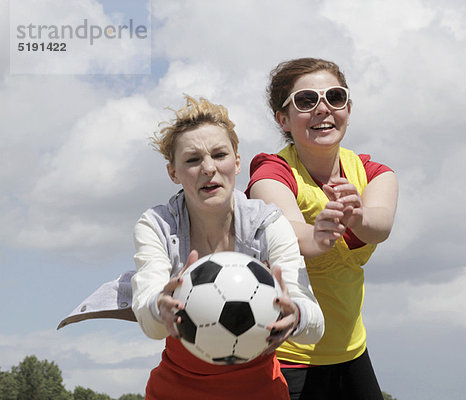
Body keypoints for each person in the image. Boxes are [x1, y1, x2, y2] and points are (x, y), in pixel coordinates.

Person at [58, 95, 324, 400]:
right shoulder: (157, 225)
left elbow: (315, 324)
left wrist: (298, 316)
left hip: (259, 387)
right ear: (174, 173)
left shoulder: (268, 224)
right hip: (177, 388)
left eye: (219, 155)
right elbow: (151, 322)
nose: (209, 168)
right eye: (193, 159)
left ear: (237, 163)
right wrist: (160, 307)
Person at [246, 58, 398, 400]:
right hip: (286, 356)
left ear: (348, 108)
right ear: (282, 119)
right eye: (305, 101)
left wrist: (357, 217)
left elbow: (381, 226)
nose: (322, 109)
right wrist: (318, 234)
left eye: (334, 97)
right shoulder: (271, 173)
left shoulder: (375, 173)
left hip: (352, 352)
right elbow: (286, 234)